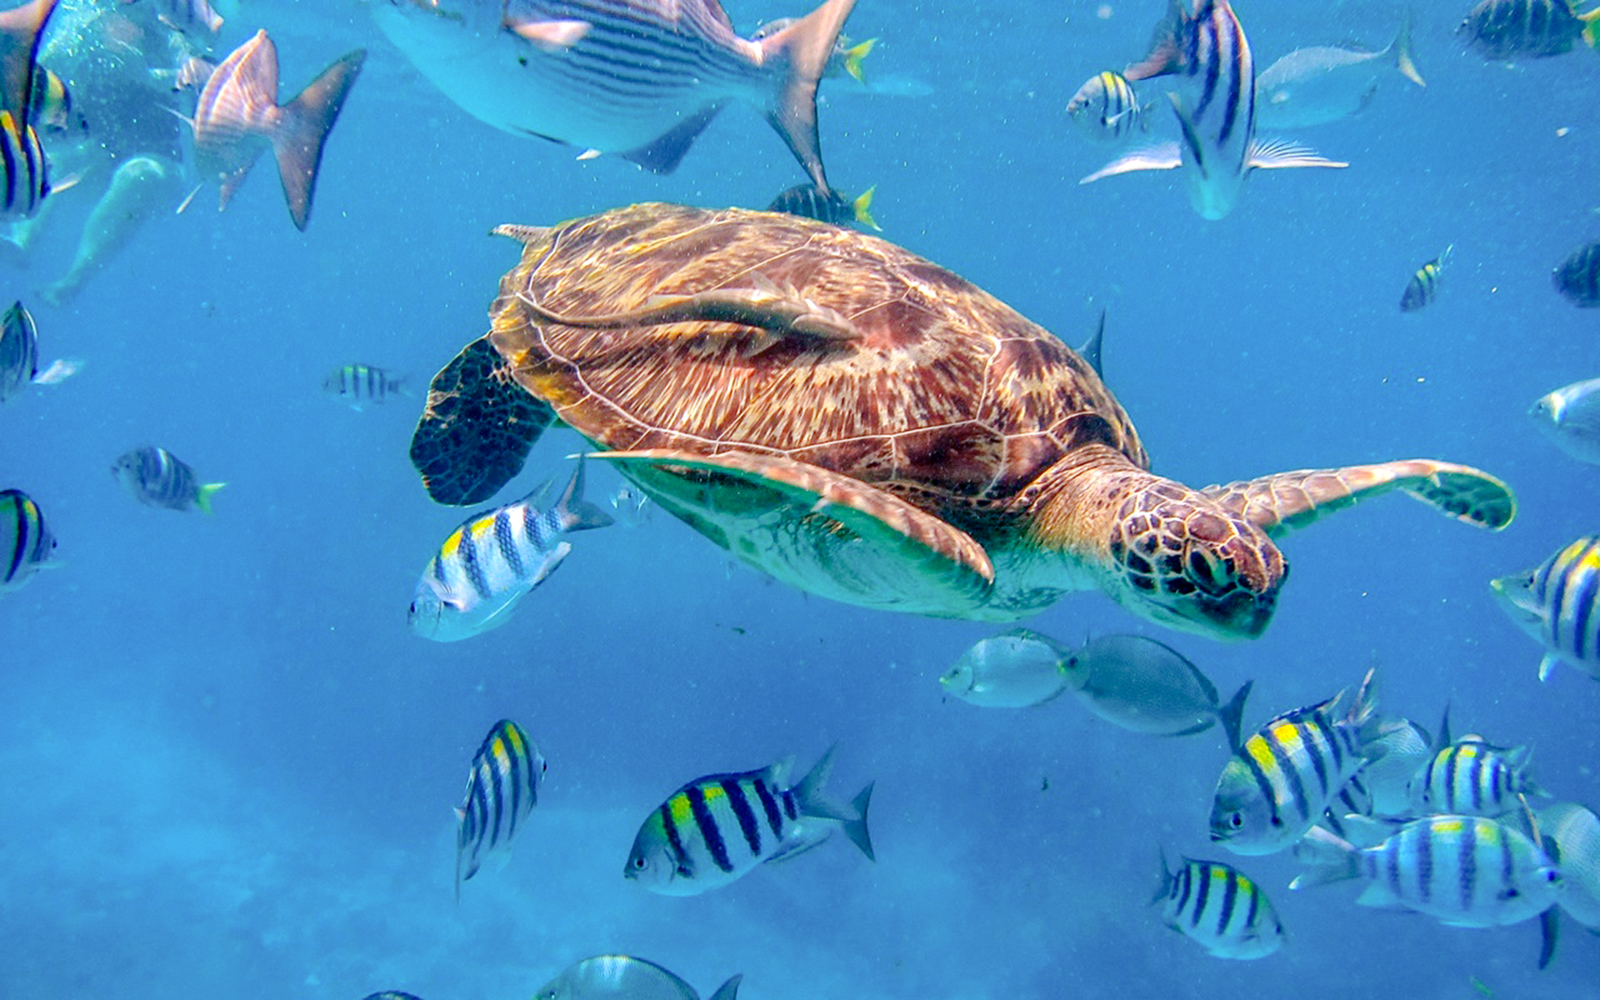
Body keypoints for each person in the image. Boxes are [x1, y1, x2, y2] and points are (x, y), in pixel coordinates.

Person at [7, 0, 203, 305]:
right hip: (99, 157)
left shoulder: (168, 30)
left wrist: (147, 75)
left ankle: (72, 281)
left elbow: (199, 80)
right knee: (52, 160)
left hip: (160, 166)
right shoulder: (84, 27)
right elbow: (36, 76)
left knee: (136, 174)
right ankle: (22, 238)